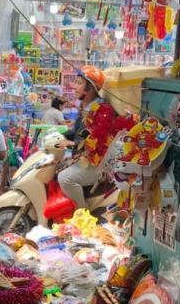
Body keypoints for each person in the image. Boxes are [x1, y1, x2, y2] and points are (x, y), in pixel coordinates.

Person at [57, 66, 133, 210]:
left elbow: (95, 141)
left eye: (79, 83)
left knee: (65, 178)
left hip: (99, 163)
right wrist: (58, 137)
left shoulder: (102, 110)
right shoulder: (86, 107)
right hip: (85, 158)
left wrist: (72, 144)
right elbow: (78, 132)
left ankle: (82, 211)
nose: (74, 86)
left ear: (90, 89)